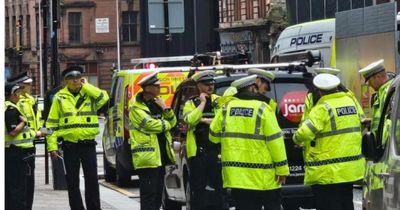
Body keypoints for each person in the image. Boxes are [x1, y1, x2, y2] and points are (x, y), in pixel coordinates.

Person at [209, 75, 289, 210]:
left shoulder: (226, 109)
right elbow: (275, 141)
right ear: (252, 88)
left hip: (238, 177)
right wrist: (282, 169)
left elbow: (213, 137)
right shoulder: (263, 109)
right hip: (264, 177)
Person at [293, 74, 365, 210]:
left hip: (328, 171)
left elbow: (304, 133)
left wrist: (296, 138)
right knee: (346, 202)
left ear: (319, 91)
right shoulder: (351, 102)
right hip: (349, 169)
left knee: (328, 204)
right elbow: (361, 122)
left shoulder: (322, 108)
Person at [46, 66, 109, 210]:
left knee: (92, 180)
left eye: (78, 77)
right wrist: (52, 147)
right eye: (71, 78)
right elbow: (51, 124)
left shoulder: (89, 94)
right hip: (70, 146)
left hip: (88, 145)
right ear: (65, 81)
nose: (76, 81)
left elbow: (104, 97)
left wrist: (87, 86)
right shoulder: (59, 98)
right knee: (72, 182)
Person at [128, 71, 177, 210]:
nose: (160, 88)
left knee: (157, 195)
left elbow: (172, 121)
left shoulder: (159, 102)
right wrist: (166, 125)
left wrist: (166, 109)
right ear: (148, 88)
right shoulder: (136, 107)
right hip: (147, 157)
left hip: (160, 156)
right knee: (148, 195)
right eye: (157, 86)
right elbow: (149, 125)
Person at [183, 70, 225, 210]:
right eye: (206, 84)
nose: (210, 87)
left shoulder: (218, 101)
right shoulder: (191, 103)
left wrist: (204, 120)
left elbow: (222, 120)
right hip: (198, 151)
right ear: (199, 86)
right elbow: (190, 120)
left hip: (216, 149)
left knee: (220, 186)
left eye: (212, 84)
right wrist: (201, 104)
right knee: (198, 188)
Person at [7, 71, 43, 210]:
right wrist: (37, 133)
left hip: (30, 144)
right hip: (18, 148)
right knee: (19, 187)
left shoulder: (31, 100)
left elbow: (35, 121)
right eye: (27, 85)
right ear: (20, 87)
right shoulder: (15, 103)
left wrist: (41, 131)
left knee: (28, 184)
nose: (31, 86)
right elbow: (17, 128)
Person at [359, 59, 394, 137]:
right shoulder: (383, 92)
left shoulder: (390, 93)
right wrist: (372, 122)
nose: (369, 85)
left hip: (388, 147)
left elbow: (393, 123)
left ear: (377, 77)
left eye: (369, 81)